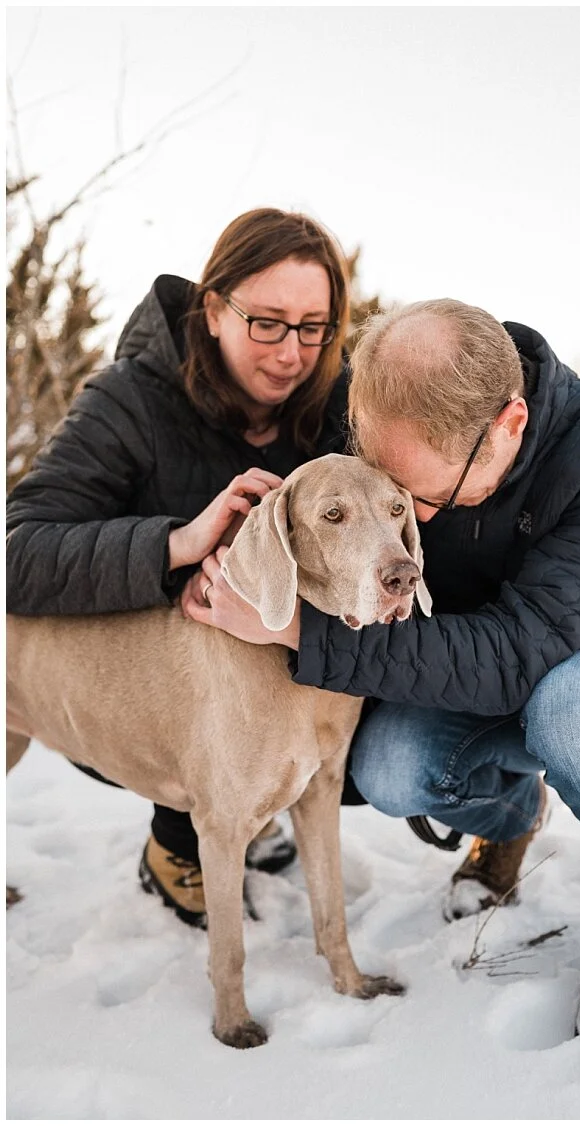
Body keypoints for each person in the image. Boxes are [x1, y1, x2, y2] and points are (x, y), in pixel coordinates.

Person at [182, 298, 580, 1034]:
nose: (413, 522)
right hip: (486, 668)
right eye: (397, 494)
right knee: (390, 767)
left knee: (575, 713)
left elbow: (518, 655)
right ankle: (512, 818)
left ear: (510, 428)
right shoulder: (395, 416)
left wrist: (302, 631)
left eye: (424, 499)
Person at [6, 208, 353, 928]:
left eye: (313, 327)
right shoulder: (130, 399)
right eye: (268, 322)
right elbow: (16, 552)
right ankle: (177, 845)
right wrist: (175, 544)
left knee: (363, 744)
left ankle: (256, 813)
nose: (292, 353)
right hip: (148, 684)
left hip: (291, 670)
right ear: (214, 307)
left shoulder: (338, 407)